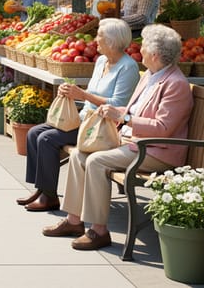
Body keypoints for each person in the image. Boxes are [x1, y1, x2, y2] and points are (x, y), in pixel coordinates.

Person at [42, 24, 193, 251]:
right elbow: (134, 111)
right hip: (133, 143)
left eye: (144, 47)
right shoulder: (150, 75)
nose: (139, 50)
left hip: (156, 151)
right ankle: (73, 221)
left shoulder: (176, 84)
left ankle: (99, 231)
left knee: (96, 161)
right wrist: (115, 112)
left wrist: (125, 117)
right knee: (79, 155)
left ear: (155, 55)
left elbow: (163, 128)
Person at [19, 19, 139, 212]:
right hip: (84, 118)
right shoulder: (101, 61)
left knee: (47, 138)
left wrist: (82, 95)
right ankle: (41, 189)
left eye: (99, 36)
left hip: (103, 127)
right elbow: (91, 93)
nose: (95, 39)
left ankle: (49, 196)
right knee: (34, 133)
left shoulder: (128, 67)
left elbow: (118, 105)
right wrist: (71, 92)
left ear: (112, 41)